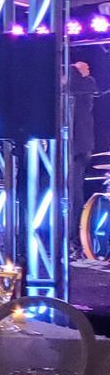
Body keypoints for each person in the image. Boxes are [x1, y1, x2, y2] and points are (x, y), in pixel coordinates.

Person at [73, 57, 99, 256]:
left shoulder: (86, 86)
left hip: (78, 147)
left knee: (74, 192)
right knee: (69, 192)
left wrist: (84, 76)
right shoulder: (72, 87)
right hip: (73, 146)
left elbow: (89, 94)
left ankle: (76, 238)